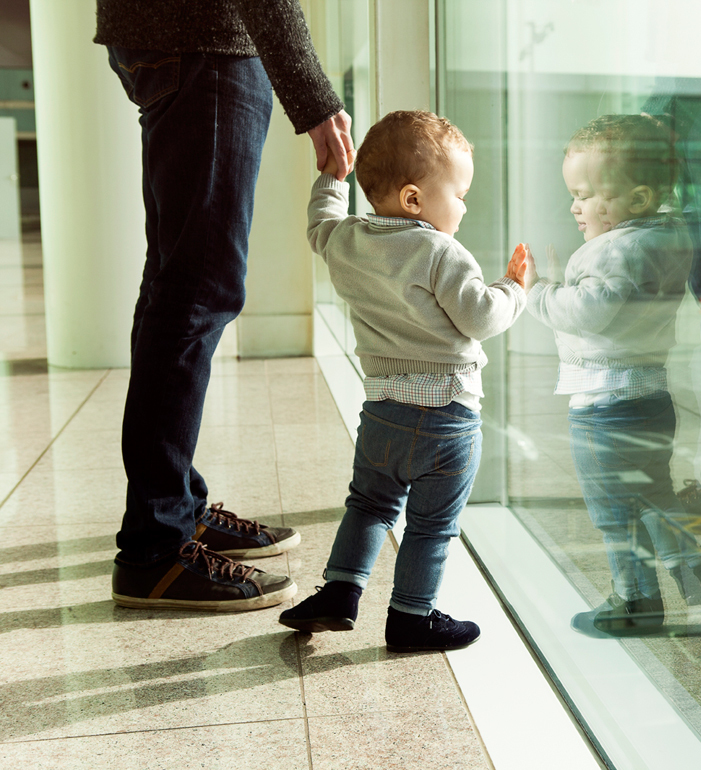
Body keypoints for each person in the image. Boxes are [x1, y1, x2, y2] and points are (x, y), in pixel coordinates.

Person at [96, 0, 356, 611]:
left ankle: (174, 512)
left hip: (169, 37)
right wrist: (312, 96)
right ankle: (156, 548)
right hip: (205, 39)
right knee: (195, 291)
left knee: (173, 281)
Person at [279, 110, 528, 651]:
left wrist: (331, 178)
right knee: (432, 525)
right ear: (415, 199)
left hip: (383, 414)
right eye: (459, 193)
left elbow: (319, 224)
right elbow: (481, 318)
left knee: (368, 504)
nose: (464, 204)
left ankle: (341, 591)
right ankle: (412, 618)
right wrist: (512, 288)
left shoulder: (346, 242)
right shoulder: (440, 251)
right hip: (448, 421)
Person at [525, 114, 701, 637]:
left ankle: (636, 601)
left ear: (638, 199)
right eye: (574, 193)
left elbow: (593, 309)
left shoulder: (620, 248)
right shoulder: (664, 238)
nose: (576, 205)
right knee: (653, 497)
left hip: (604, 406)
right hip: (648, 399)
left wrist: (539, 291)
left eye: (590, 194)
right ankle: (696, 578)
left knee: (614, 513)